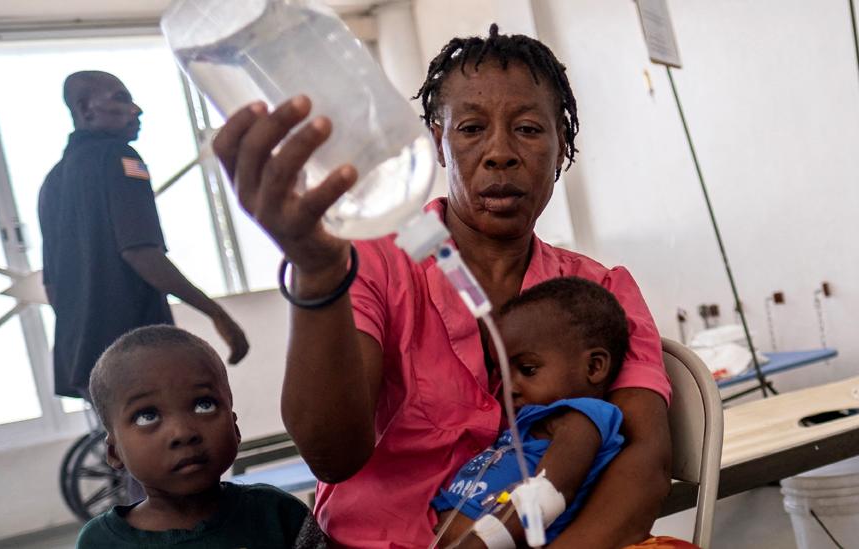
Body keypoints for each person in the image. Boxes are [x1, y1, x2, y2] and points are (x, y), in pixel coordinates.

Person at [213, 25, 674, 548]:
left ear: (561, 142)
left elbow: (646, 463)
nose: (500, 153)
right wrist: (317, 274)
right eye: (471, 129)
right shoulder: (371, 264)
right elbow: (331, 456)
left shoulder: (601, 293)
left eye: (527, 128)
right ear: (438, 141)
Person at [39, 70, 248, 401]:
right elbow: (140, 252)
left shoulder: (52, 182)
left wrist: (86, 326)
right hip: (134, 353)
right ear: (85, 109)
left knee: (125, 447)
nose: (136, 109)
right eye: (121, 99)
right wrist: (215, 312)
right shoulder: (121, 159)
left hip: (82, 356)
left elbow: (51, 285)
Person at [76, 325, 326, 548]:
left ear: (235, 427)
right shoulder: (100, 542)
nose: (183, 433)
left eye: (204, 405)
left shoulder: (278, 514)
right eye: (147, 416)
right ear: (114, 451)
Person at [431, 277, 628, 547]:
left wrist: (483, 543)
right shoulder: (528, 423)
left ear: (594, 367)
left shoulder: (581, 419)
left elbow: (548, 494)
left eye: (528, 369)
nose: (509, 387)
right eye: (503, 373)